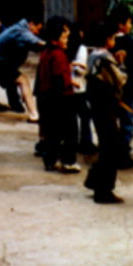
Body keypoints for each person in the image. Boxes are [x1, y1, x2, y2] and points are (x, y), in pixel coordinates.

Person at [84, 22, 128, 204]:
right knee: (111, 147)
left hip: (95, 104)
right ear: (108, 40)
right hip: (106, 104)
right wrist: (122, 64)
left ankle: (95, 181)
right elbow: (120, 80)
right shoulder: (106, 58)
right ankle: (103, 189)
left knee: (106, 144)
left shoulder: (93, 55)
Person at [0, 14, 45, 122]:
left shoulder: (18, 29)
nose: (37, 33)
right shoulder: (21, 31)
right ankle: (34, 115)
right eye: (37, 29)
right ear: (31, 24)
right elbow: (34, 40)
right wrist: (52, 44)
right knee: (23, 81)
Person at [36, 18, 80, 173]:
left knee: (51, 133)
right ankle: (68, 161)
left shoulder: (46, 53)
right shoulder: (59, 55)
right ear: (54, 39)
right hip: (62, 98)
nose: (66, 39)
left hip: (47, 98)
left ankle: (50, 159)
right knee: (70, 132)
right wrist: (72, 82)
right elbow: (59, 77)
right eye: (64, 37)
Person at [111, 7, 133, 169]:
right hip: (127, 88)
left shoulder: (108, 41)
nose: (131, 25)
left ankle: (112, 150)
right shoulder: (130, 42)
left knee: (111, 120)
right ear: (121, 24)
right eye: (130, 22)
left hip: (109, 88)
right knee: (127, 121)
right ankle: (123, 153)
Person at [67, 22, 97, 155]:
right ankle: (86, 142)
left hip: (68, 86)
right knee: (85, 115)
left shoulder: (66, 46)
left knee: (71, 116)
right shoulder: (82, 48)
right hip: (79, 87)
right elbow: (80, 69)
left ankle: (71, 141)